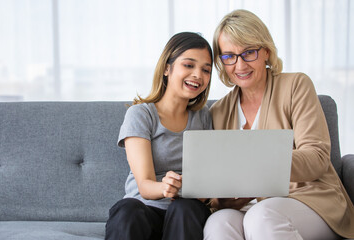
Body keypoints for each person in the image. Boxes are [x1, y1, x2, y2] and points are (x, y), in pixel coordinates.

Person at [203, 9, 354, 240]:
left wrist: (261, 164)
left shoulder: (296, 86)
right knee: (218, 222)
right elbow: (220, 182)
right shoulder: (218, 112)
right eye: (229, 56)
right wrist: (217, 197)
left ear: (265, 51)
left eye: (248, 52)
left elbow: (317, 158)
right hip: (247, 208)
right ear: (221, 62)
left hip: (308, 200)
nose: (240, 65)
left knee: (262, 217)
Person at [105, 32, 213, 240]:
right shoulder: (141, 114)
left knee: (185, 208)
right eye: (189, 65)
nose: (198, 75)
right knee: (127, 211)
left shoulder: (204, 117)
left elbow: (205, 188)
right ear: (166, 68)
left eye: (206, 70)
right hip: (144, 210)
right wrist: (166, 186)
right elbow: (144, 186)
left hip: (185, 213)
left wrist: (193, 189)